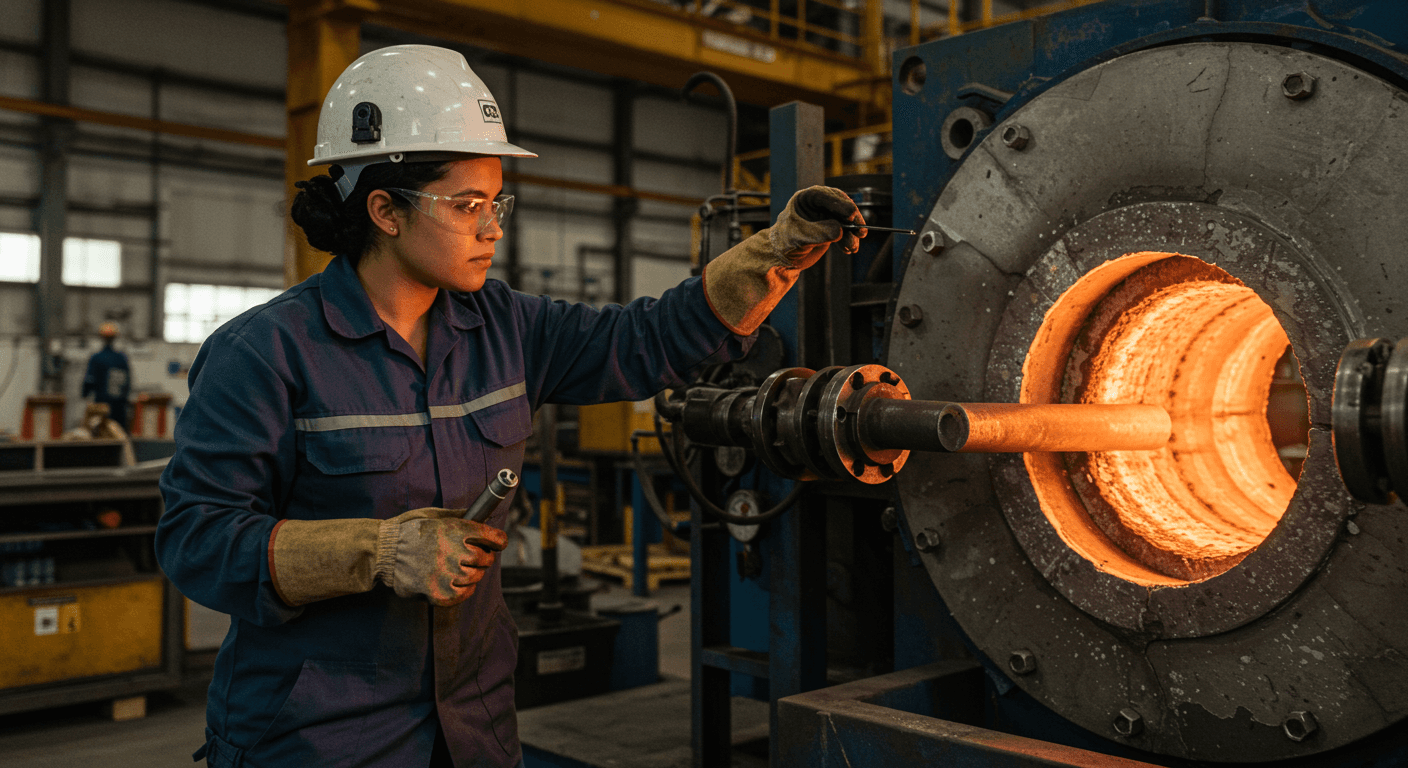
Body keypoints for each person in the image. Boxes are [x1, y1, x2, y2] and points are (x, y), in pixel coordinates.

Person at [155, 44, 864, 768]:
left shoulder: (505, 326)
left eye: (497, 203)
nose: (493, 227)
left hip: (473, 726)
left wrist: (779, 249)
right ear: (384, 210)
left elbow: (643, 339)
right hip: (317, 735)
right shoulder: (264, 352)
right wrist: (374, 551)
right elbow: (196, 538)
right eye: (466, 206)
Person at [82, 321, 131, 429]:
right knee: (119, 434)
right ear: (115, 338)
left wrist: (85, 394)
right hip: (119, 408)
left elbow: (89, 380)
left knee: (101, 435)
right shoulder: (121, 359)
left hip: (101, 407)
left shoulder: (97, 358)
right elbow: (127, 383)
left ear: (101, 337)